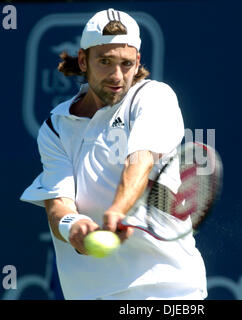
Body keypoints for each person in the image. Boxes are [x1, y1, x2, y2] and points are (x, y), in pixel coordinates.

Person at [20, 8, 207, 300]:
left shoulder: (154, 97)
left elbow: (141, 160)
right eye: (105, 62)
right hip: (88, 295)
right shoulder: (56, 127)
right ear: (84, 60)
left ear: (138, 63)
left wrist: (118, 209)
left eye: (126, 63)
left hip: (168, 291)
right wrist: (74, 228)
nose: (117, 75)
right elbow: (58, 207)